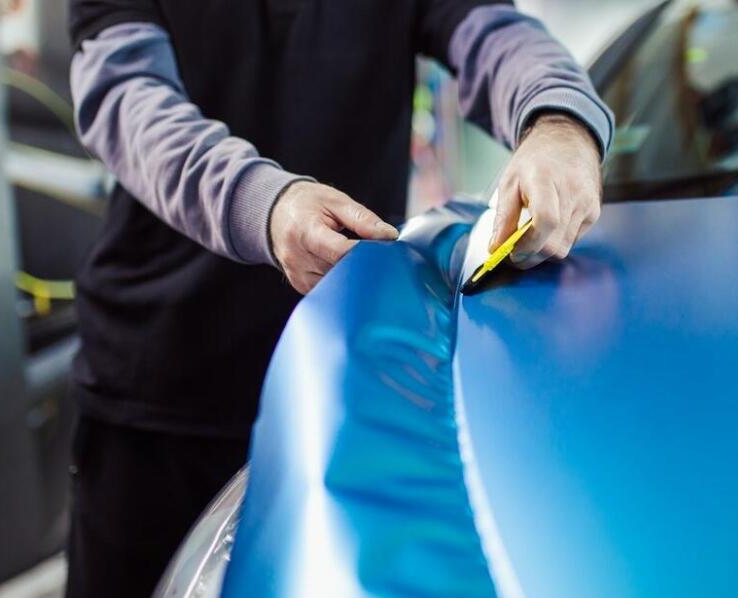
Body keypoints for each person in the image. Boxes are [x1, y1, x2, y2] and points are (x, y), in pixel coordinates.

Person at [64, 1, 614, 596]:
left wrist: (560, 121)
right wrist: (263, 203)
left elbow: (490, 33)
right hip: (159, 395)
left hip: (340, 383)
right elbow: (125, 97)